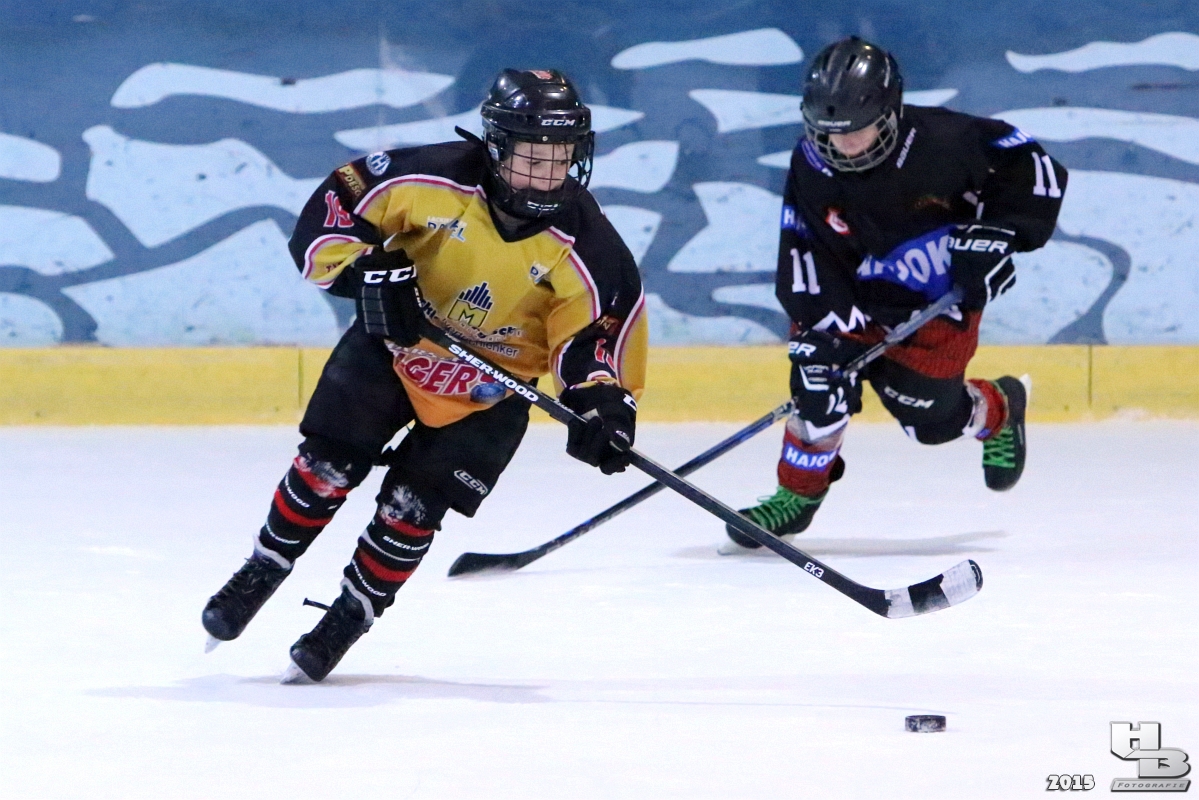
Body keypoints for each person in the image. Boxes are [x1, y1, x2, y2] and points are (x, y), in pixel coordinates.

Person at [201, 69, 647, 681]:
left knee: (412, 509)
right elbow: (337, 209)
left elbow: (593, 344)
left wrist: (603, 408)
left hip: (489, 390)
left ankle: (350, 614)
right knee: (326, 465)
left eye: (560, 158)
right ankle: (265, 565)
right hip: (397, 346)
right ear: (495, 148)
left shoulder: (593, 251)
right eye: (531, 157)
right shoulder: (429, 176)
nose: (548, 174)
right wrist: (367, 277)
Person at [721, 37, 1067, 553]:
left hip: (936, 302)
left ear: (890, 112)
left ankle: (997, 407)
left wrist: (1002, 233)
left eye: (857, 130)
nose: (844, 145)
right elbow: (806, 247)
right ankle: (796, 494)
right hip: (853, 294)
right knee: (818, 386)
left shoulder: (946, 140)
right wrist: (823, 332)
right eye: (830, 132)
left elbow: (1030, 164)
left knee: (930, 424)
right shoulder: (812, 163)